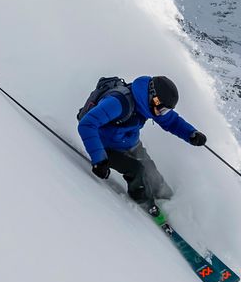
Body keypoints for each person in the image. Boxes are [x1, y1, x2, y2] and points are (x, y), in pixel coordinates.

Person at [77, 75, 206, 210]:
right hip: (102, 146)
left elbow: (172, 121)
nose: (162, 114)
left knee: (151, 172)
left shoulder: (151, 105)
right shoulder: (118, 103)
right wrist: (99, 161)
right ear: (153, 97)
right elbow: (87, 124)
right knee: (136, 170)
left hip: (128, 143)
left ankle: (169, 202)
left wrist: (192, 134)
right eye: (161, 109)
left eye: (165, 111)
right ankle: (145, 204)